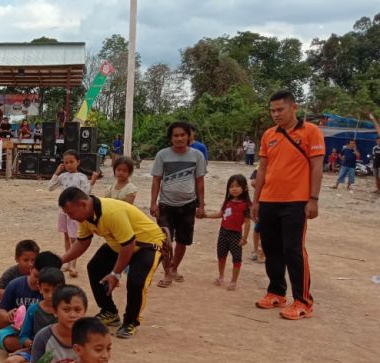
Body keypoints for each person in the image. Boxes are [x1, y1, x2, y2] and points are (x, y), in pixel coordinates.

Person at [251, 89, 324, 320]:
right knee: (271, 248)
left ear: (294, 107)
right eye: (272, 110)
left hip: (296, 201)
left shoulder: (311, 132)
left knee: (293, 249)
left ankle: (303, 301)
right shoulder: (268, 135)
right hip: (269, 200)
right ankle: (276, 292)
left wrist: (313, 199)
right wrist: (256, 201)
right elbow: (262, 169)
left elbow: (317, 167)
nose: (275, 114)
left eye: (280, 109)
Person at [60, 187, 165, 339]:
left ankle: (131, 322)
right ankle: (109, 311)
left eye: (71, 213)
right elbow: (82, 242)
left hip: (147, 244)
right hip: (121, 242)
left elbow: (128, 245)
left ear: (82, 204)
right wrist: (60, 260)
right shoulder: (86, 217)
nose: (70, 218)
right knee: (95, 268)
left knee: (136, 282)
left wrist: (115, 273)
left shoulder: (111, 212)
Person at [150, 121, 207, 288]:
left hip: (188, 205)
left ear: (189, 137)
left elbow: (200, 181)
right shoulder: (162, 155)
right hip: (166, 205)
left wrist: (201, 205)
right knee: (165, 241)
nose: (180, 138)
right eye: (176, 135)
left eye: (183, 135)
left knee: (183, 240)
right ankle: (167, 272)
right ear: (170, 138)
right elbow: (156, 180)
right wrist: (153, 203)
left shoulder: (197, 156)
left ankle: (175, 268)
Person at [3, 267, 64, 363]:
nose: (50, 295)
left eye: (55, 290)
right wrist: (33, 345)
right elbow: (23, 337)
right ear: (39, 288)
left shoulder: (65, 310)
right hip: (37, 351)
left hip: (60, 352)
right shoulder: (33, 310)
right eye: (46, 290)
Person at [48, 151, 99, 278]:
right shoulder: (63, 176)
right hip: (63, 211)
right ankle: (67, 261)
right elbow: (50, 187)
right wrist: (56, 172)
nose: (69, 165)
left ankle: (73, 265)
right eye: (66, 162)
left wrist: (92, 182)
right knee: (66, 236)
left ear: (78, 162)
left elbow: (86, 193)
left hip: (75, 212)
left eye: (71, 162)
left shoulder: (81, 177)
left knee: (74, 238)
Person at [0, 251, 62, 330]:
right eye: (36, 276)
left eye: (44, 280)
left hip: (41, 328)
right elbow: (2, 309)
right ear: (31, 269)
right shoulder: (15, 284)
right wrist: (9, 316)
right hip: (17, 325)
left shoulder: (56, 291)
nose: (38, 282)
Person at [204, 174, 251, 291]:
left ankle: (234, 281)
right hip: (223, 233)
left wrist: (244, 238)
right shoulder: (227, 202)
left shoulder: (246, 205)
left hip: (236, 235)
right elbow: (220, 214)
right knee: (221, 255)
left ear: (245, 188)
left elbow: (247, 223)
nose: (234, 189)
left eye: (237, 186)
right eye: (231, 186)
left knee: (236, 258)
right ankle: (221, 276)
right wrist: (206, 215)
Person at [249, 170, 265, 263]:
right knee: (258, 227)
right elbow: (253, 183)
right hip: (261, 201)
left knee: (265, 229)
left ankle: (263, 252)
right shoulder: (259, 168)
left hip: (271, 202)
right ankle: (256, 250)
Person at [369, 113, 380, 193]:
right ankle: (378, 189)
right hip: (376, 164)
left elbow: (378, 128)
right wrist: (372, 119)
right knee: (376, 177)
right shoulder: (375, 148)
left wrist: (373, 119)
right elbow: (378, 128)